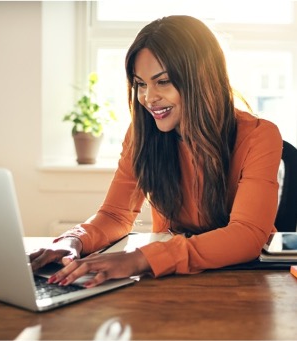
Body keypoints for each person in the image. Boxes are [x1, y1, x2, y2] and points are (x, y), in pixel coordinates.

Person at [29, 15, 282, 288]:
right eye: (140, 84)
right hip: (169, 279)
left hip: (246, 280)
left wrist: (140, 259)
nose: (148, 98)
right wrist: (73, 241)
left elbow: (246, 235)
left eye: (163, 82)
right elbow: (115, 215)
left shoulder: (259, 136)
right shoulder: (142, 134)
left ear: (201, 78)